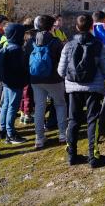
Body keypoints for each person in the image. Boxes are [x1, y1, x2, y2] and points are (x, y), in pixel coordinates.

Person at [57, 15, 105, 168]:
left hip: (73, 87)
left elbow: (61, 71)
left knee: (73, 120)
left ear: (76, 27)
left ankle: (72, 155)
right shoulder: (98, 45)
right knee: (92, 120)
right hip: (93, 88)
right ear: (91, 27)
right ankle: (93, 156)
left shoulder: (68, 46)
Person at [30, 15, 67, 148]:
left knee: (39, 107)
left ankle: (39, 138)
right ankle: (63, 134)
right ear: (52, 27)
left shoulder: (31, 41)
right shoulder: (56, 41)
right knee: (60, 105)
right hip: (54, 79)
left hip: (35, 78)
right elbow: (62, 60)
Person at [0, 23, 29, 144]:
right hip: (15, 82)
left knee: (5, 105)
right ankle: (10, 134)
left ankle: (3, 130)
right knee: (12, 107)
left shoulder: (7, 45)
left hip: (6, 82)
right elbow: (20, 68)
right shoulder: (17, 49)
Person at [19, 17, 36, 124]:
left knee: (23, 93)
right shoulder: (30, 40)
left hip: (21, 69)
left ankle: (23, 113)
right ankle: (27, 114)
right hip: (28, 68)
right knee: (28, 93)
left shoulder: (20, 38)